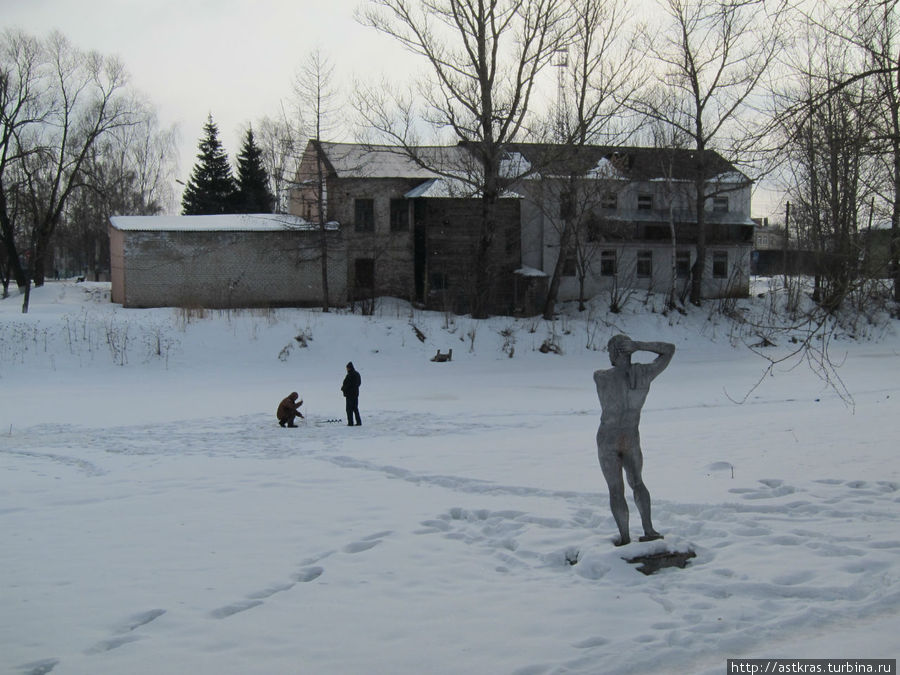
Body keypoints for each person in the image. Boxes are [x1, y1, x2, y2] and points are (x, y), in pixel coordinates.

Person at [594, 335, 675, 546]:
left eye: (610, 351)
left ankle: (625, 537)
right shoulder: (644, 374)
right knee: (637, 482)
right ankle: (648, 529)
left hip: (608, 437)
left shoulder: (601, 377)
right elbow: (669, 349)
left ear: (614, 353)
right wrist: (640, 346)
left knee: (616, 489)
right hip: (630, 435)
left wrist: (632, 348)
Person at [341, 362, 362, 426]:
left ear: (349, 368)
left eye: (347, 368)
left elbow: (348, 384)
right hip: (355, 394)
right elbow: (359, 383)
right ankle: (359, 422)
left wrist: (343, 388)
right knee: (355, 408)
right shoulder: (357, 374)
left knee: (349, 409)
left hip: (350, 395)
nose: (346, 369)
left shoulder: (350, 375)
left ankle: (350, 423)